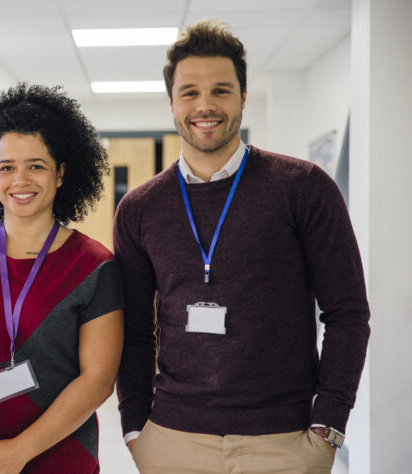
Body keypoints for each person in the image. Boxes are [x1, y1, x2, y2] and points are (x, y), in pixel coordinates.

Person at [114, 20, 370, 473]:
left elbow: (347, 313)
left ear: (243, 96)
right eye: (189, 92)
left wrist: (329, 425)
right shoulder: (139, 209)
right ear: (171, 102)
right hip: (173, 441)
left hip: (284, 442)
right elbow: (134, 329)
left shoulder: (304, 188)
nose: (205, 106)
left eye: (221, 90)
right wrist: (135, 429)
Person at [0, 83, 124, 473]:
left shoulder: (95, 265)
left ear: (61, 173)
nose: (20, 180)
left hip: (61, 457)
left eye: (36, 166)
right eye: (7, 168)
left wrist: (17, 452)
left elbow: (97, 379)